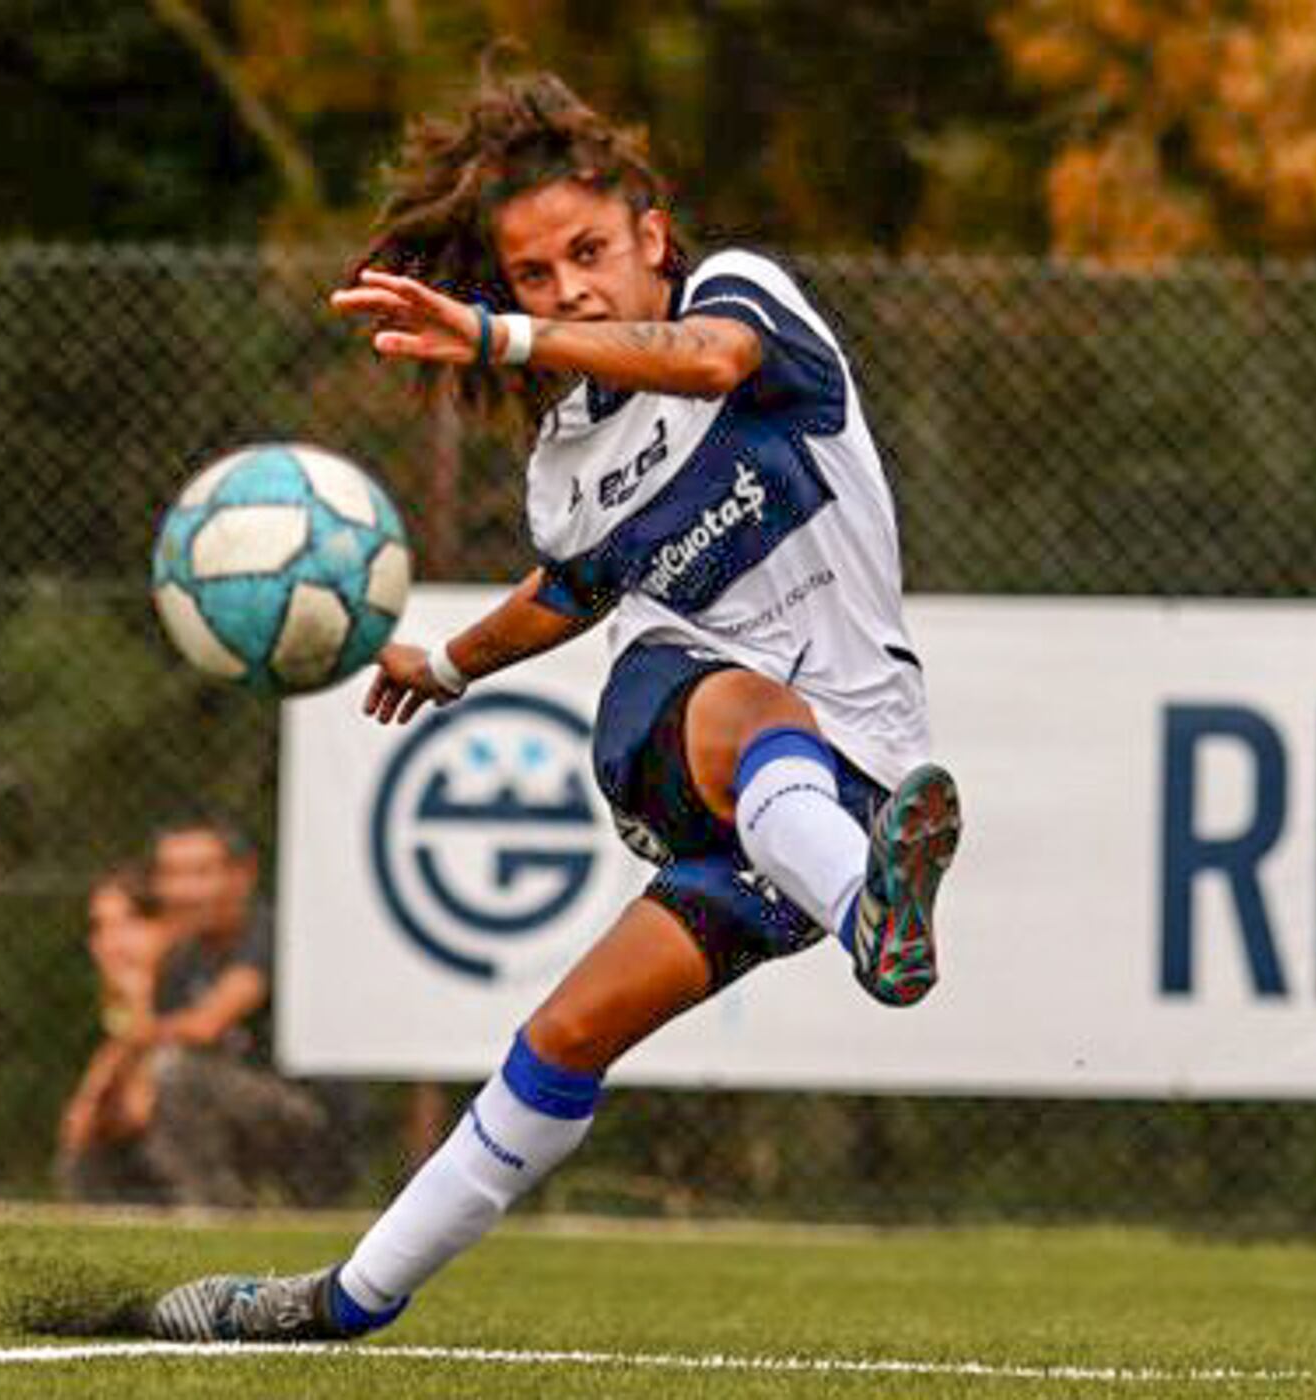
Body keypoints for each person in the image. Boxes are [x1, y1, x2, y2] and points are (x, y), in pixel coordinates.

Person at [148, 56, 960, 1342]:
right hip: (689, 742)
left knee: (567, 1033)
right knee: (716, 691)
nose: (570, 285)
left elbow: (703, 363)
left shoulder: (740, 297)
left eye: (589, 250)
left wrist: (501, 335)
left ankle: (342, 1299)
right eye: (533, 275)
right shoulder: (566, 463)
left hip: (850, 783)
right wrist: (449, 661)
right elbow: (574, 589)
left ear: (651, 231)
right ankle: (874, 906)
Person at [104, 819, 358, 1209]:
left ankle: (216, 1208)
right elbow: (142, 1058)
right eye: (171, 874)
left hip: (309, 1114)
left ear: (243, 875)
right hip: (229, 1106)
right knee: (119, 1110)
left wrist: (139, 985)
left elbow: (207, 1026)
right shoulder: (182, 957)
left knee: (173, 1072)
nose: (183, 891)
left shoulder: (269, 932)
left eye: (200, 873)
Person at [54, 867, 170, 1203]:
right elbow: (121, 1044)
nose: (111, 942)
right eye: (100, 927)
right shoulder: (122, 990)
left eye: (129, 922)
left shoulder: (185, 974)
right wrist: (89, 1099)